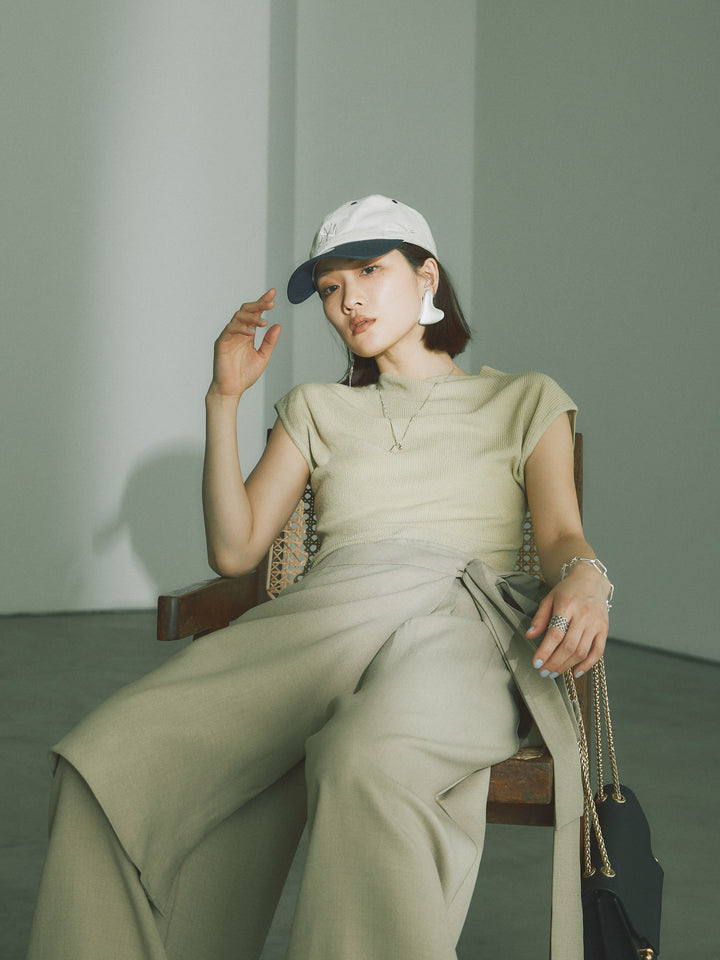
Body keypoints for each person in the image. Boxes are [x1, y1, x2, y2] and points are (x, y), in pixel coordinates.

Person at [26, 195, 612, 960]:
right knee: (105, 763)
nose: (348, 301)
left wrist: (587, 578)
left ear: (426, 276)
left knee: (368, 757)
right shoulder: (315, 408)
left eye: (368, 272)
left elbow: (560, 533)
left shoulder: (524, 398)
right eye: (332, 288)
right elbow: (235, 551)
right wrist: (224, 399)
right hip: (328, 616)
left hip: (459, 623)